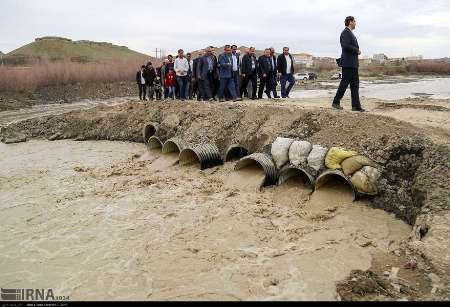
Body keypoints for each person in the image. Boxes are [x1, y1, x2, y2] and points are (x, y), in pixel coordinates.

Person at [332, 16, 365, 112]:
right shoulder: (345, 32)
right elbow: (345, 46)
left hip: (353, 64)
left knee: (355, 85)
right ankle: (335, 102)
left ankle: (356, 106)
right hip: (348, 63)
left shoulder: (350, 33)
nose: (355, 23)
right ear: (350, 22)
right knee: (344, 83)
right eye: (354, 21)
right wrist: (357, 50)